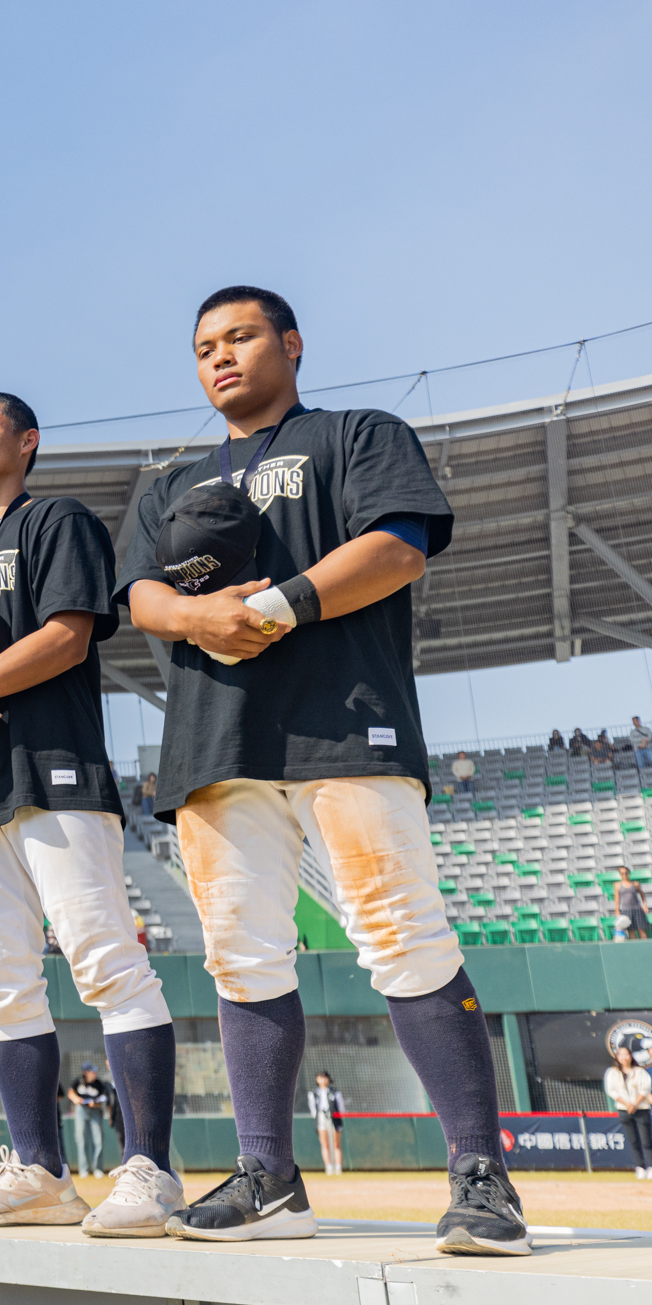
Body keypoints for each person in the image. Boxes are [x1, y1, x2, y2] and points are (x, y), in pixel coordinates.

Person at [120, 286, 525, 1255]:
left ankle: (479, 1173)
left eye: (240, 336)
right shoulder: (166, 483)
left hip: (344, 718)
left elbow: (397, 547)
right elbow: (135, 595)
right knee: (239, 952)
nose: (219, 356)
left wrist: (274, 608)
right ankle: (267, 1174)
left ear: (289, 343)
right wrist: (198, 618)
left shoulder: (355, 434)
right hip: (215, 741)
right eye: (202, 345)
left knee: (401, 934)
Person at [0, 391, 182, 1238]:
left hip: (56, 773)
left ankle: (151, 1169)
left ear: (27, 442)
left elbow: (68, 634)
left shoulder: (58, 520)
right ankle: (38, 1172)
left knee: (105, 963)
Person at [604, 1045, 652, 1179]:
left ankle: (650, 1167)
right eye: (621, 1055)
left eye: (627, 1054)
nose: (624, 1058)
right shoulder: (612, 1072)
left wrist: (635, 1104)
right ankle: (640, 1168)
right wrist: (627, 1104)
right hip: (624, 1110)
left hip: (641, 1109)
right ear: (617, 1057)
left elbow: (645, 1088)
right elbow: (611, 1090)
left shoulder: (639, 1071)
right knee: (633, 1140)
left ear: (631, 1056)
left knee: (646, 1140)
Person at [67, 1065, 113, 1179]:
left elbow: (103, 1099)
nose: (95, 1073)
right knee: (81, 1140)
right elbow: (70, 1092)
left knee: (98, 1140)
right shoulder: (78, 1080)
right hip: (81, 1110)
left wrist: (95, 1104)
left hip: (95, 1112)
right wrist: (75, 1099)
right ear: (86, 1072)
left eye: (95, 1071)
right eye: (92, 1071)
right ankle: (84, 1170)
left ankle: (98, 1169)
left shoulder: (98, 1083)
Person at [309, 1071, 346, 1175]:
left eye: (325, 1077)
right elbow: (313, 1108)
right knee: (325, 1144)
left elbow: (341, 1108)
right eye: (320, 1077)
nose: (323, 1079)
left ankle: (338, 1168)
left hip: (334, 1118)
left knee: (336, 1144)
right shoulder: (314, 1093)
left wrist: (338, 1116)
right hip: (321, 1118)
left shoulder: (335, 1092)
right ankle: (329, 1167)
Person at [612, 868, 649, 941]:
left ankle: (645, 948)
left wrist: (644, 905)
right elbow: (617, 898)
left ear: (628, 873)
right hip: (626, 909)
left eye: (626, 873)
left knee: (641, 929)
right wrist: (617, 910)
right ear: (620, 874)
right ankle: (635, 949)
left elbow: (642, 894)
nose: (624, 875)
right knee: (631, 930)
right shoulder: (617, 885)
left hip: (637, 909)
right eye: (622, 873)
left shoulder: (635, 884)